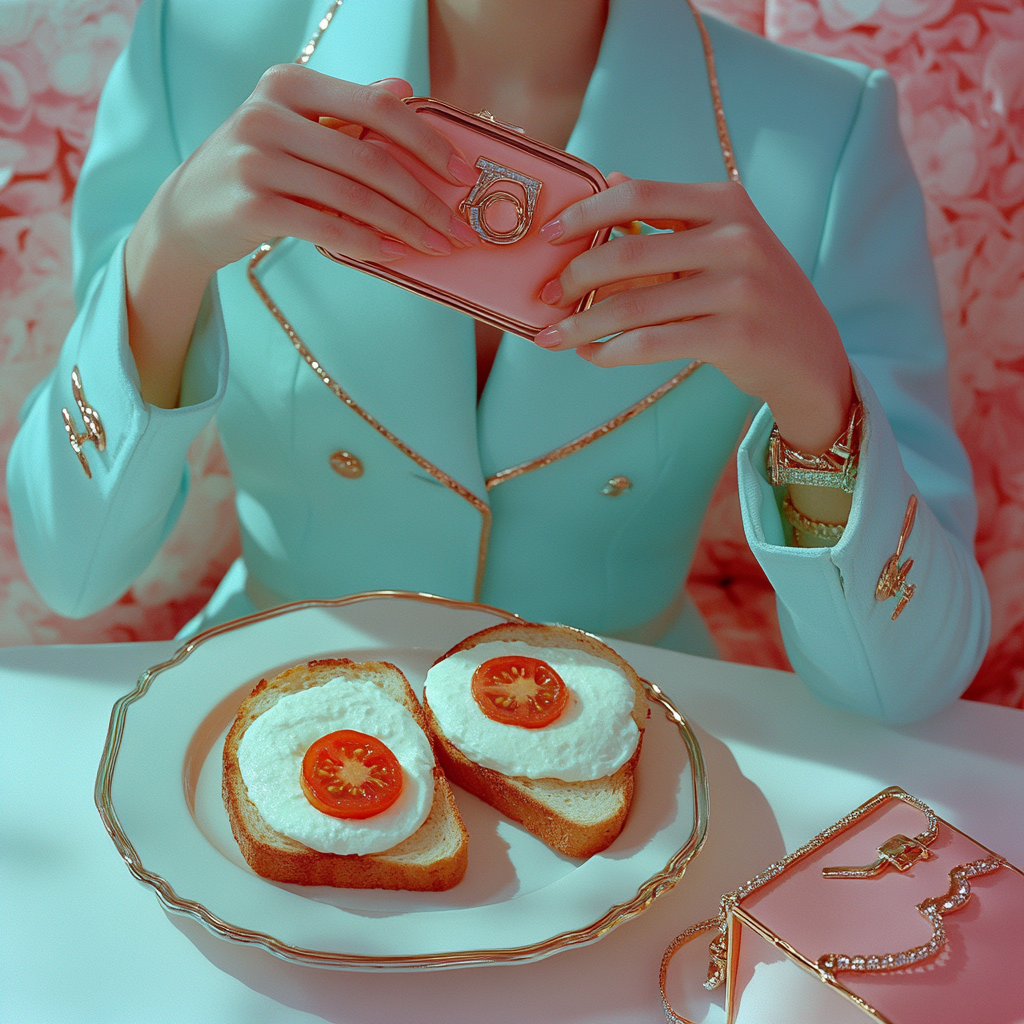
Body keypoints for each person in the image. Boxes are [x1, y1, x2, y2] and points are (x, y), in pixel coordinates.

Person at [6, 0, 989, 722]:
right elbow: (72, 565)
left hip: (633, 759)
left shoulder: (825, 134)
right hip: (259, 714)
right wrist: (167, 247)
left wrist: (818, 398)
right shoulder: (200, 45)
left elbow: (899, 683)